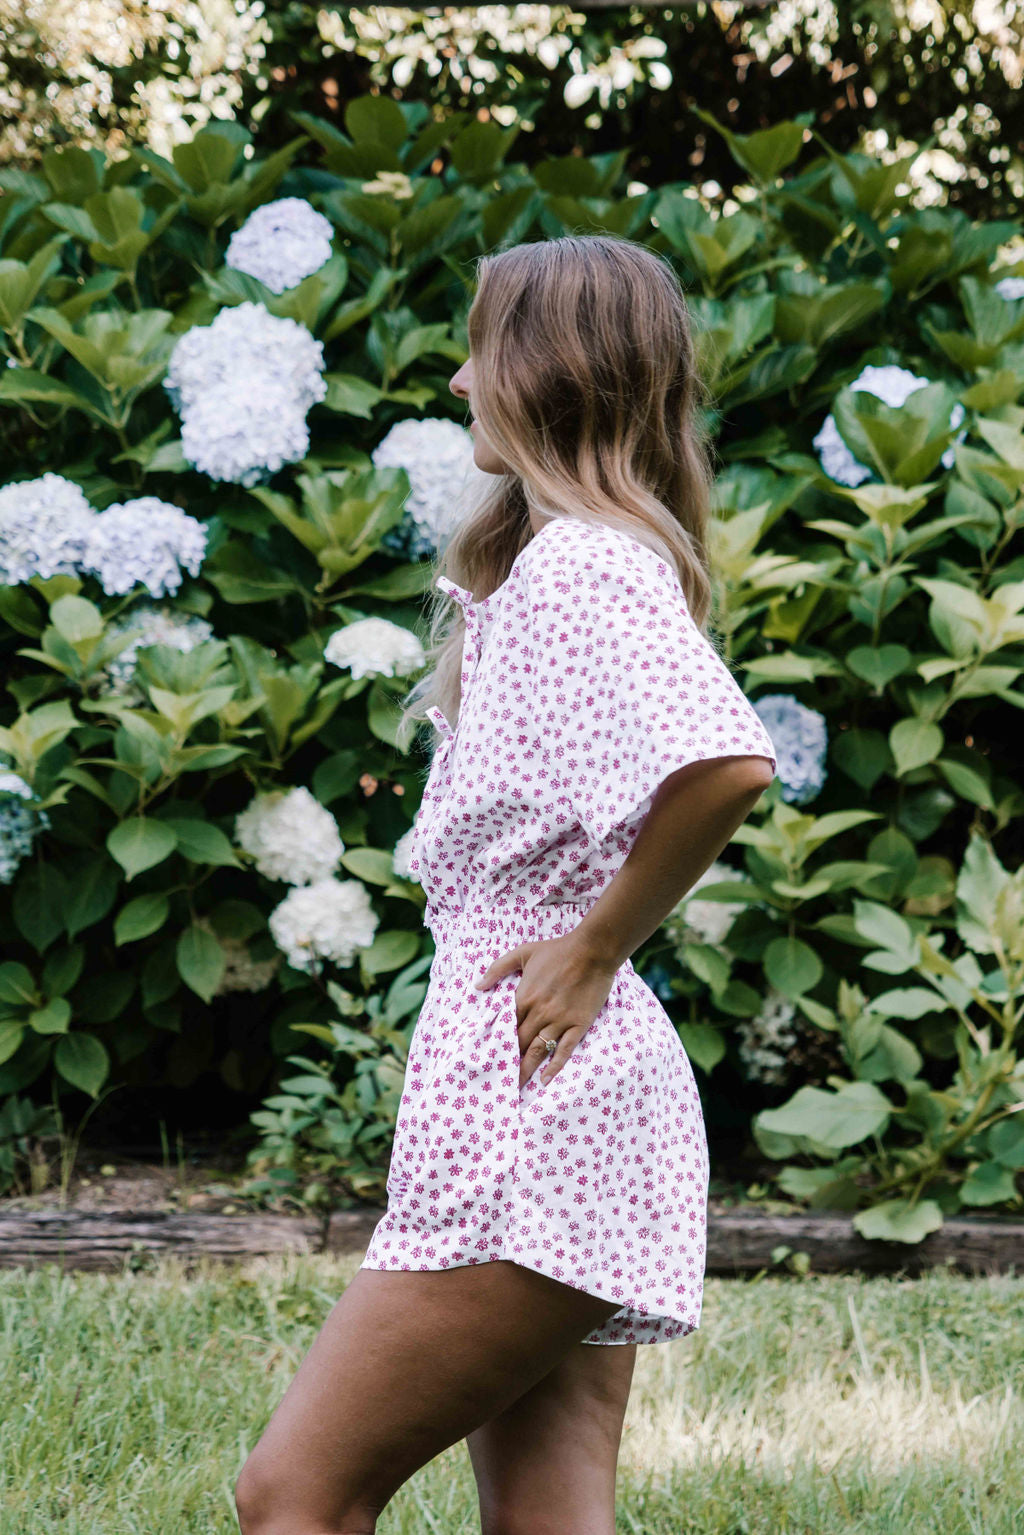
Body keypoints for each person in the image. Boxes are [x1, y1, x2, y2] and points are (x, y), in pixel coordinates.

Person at [235, 233, 778, 1535]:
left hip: (542, 1111)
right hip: (580, 1101)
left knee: (294, 1492)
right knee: (548, 1505)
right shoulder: (575, 563)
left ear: (544, 372)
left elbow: (725, 768)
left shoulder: (580, 568)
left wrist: (592, 946)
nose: (461, 380)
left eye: (482, 349)